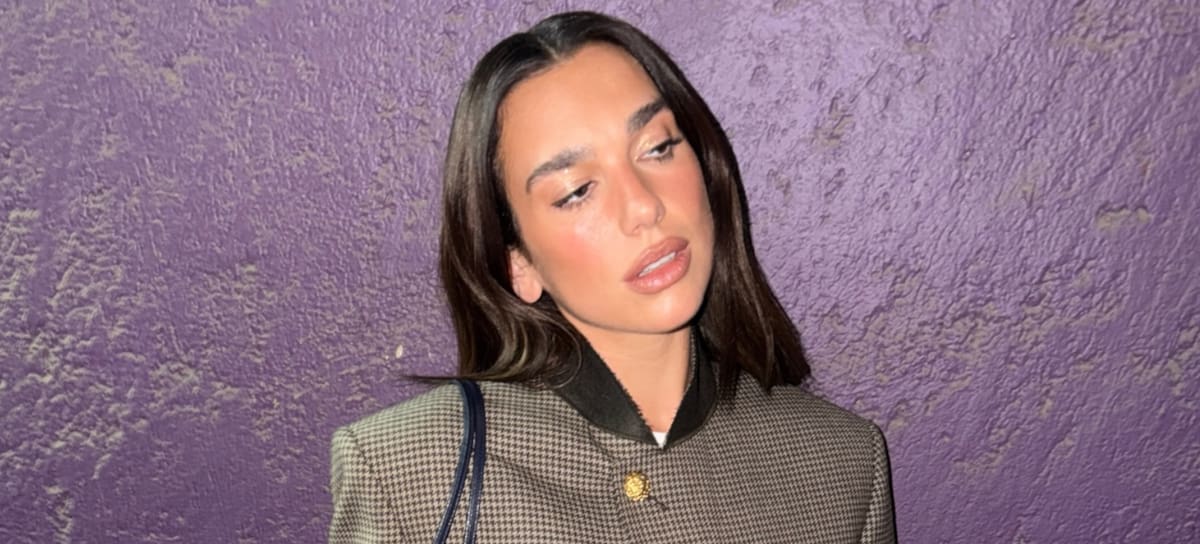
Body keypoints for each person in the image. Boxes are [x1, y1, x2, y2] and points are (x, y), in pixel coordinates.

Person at [329, 10, 896, 543]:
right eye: (577, 191)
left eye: (658, 148)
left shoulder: (842, 464)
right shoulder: (406, 474)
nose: (644, 206)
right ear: (516, 263)